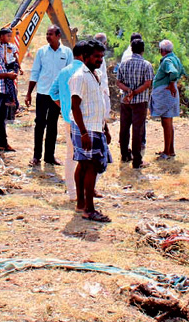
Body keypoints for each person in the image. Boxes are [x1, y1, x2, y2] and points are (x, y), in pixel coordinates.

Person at [69, 40, 113, 222]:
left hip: (95, 127)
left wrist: (105, 128)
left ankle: (81, 204)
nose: (99, 60)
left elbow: (97, 104)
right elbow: (75, 106)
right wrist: (84, 133)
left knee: (83, 165)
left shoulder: (95, 75)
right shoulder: (80, 76)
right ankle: (89, 208)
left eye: (102, 57)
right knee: (91, 167)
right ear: (85, 56)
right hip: (85, 128)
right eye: (96, 56)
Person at [25, 25, 73, 166]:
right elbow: (35, 73)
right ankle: (36, 156)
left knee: (53, 125)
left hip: (57, 96)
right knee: (39, 124)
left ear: (58, 36)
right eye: (47, 34)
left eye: (50, 34)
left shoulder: (67, 52)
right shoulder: (41, 52)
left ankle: (49, 157)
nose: (48, 36)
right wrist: (28, 94)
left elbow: (70, 74)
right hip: (43, 93)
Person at [49, 41, 87, 201]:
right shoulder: (85, 71)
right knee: (86, 158)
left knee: (71, 156)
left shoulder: (64, 71)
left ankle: (72, 193)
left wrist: (65, 107)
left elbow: (52, 92)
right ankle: (83, 192)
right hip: (85, 121)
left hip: (68, 119)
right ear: (85, 55)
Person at [116, 37, 154, 168]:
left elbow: (118, 82)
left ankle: (125, 155)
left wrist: (128, 91)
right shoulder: (146, 65)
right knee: (138, 130)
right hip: (140, 101)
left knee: (124, 128)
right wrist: (136, 92)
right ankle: (137, 160)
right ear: (143, 50)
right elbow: (148, 83)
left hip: (125, 101)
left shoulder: (124, 64)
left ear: (131, 49)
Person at [150, 39, 186, 160]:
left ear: (162, 51)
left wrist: (171, 83)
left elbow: (174, 72)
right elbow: (181, 71)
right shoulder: (175, 58)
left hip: (166, 93)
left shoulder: (167, 60)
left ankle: (166, 152)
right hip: (168, 92)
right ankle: (170, 150)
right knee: (168, 123)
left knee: (166, 122)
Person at [0, 27, 21, 111]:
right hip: (4, 66)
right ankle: (10, 100)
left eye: (10, 36)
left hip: (12, 65)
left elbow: (15, 56)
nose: (9, 38)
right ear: (1, 36)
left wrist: (20, 67)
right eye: (8, 36)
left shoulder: (12, 46)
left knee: (9, 81)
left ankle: (14, 102)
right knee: (5, 83)